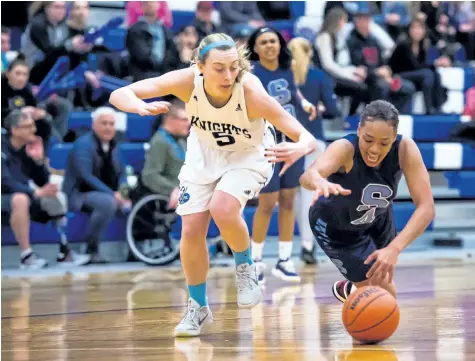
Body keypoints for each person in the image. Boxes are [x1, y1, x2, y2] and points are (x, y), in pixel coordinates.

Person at [110, 33, 317, 337]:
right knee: (191, 228)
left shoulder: (250, 90)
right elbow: (120, 94)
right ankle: (198, 307)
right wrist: (136, 106)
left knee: (222, 207)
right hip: (204, 152)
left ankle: (245, 268)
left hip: (249, 153)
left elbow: (303, 134)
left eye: (233, 66)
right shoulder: (186, 80)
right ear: (200, 65)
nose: (228, 75)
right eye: (219, 68)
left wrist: (301, 147)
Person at [300, 100, 435, 302]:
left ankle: (354, 287)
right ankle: (358, 288)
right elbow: (308, 176)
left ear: (394, 138)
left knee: (379, 291)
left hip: (377, 218)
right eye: (368, 140)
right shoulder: (345, 148)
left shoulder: (405, 148)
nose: (374, 149)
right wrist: (318, 180)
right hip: (337, 227)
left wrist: (394, 248)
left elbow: (427, 208)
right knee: (384, 299)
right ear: (358, 130)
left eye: (384, 143)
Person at [246, 27, 317, 284]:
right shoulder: (250, 75)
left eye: (272, 41)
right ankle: (254, 262)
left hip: (292, 144)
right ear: (255, 48)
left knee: (288, 200)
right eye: (263, 42)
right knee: (267, 203)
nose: (268, 46)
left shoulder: (287, 69)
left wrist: (306, 104)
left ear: (280, 44)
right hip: (266, 144)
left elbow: (294, 93)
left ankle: (285, 260)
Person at [2, 108, 90, 269]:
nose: (34, 130)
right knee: (20, 198)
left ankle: (64, 252)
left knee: (52, 192)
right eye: (28, 126)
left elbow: (42, 181)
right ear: (15, 130)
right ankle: (26, 256)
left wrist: (39, 161)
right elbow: (4, 181)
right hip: (6, 197)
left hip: (20, 196)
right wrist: (34, 192)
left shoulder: (23, 149)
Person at [287, 37, 340, 265]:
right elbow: (334, 110)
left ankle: (285, 248)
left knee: (290, 196)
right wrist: (318, 109)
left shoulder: (283, 77)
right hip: (313, 142)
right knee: (309, 195)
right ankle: (307, 245)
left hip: (287, 142)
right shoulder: (319, 76)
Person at [62, 107, 130, 264]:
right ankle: (91, 249)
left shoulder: (115, 145)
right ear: (94, 125)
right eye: (104, 123)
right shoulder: (83, 145)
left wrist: (123, 190)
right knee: (107, 203)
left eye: (111, 124)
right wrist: (113, 194)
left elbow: (123, 172)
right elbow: (85, 177)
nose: (108, 127)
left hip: (107, 192)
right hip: (79, 194)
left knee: (136, 200)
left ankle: (135, 249)